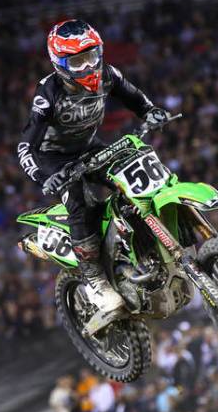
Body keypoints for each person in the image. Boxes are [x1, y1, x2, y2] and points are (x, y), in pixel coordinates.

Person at [15, 19, 170, 325]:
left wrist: (151, 111)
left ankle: (140, 244)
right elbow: (24, 146)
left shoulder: (108, 74)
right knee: (78, 200)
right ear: (60, 64)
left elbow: (135, 98)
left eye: (92, 55)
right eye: (78, 61)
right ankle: (94, 280)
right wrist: (46, 177)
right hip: (53, 157)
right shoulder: (48, 93)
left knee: (130, 170)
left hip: (88, 145)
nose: (88, 66)